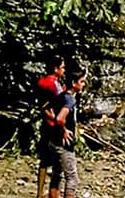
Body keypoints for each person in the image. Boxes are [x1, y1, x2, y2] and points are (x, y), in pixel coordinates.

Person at [48, 68, 86, 198]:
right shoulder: (70, 100)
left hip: (53, 140)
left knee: (56, 174)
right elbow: (60, 118)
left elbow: (47, 109)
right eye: (81, 81)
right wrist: (64, 130)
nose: (83, 84)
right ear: (74, 83)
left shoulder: (60, 96)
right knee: (72, 177)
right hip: (64, 143)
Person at [36, 56, 66, 198]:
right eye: (62, 67)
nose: (64, 70)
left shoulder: (51, 82)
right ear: (56, 69)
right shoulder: (51, 84)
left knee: (45, 160)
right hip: (52, 124)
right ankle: (51, 192)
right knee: (54, 159)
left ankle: (41, 192)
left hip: (49, 123)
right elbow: (48, 104)